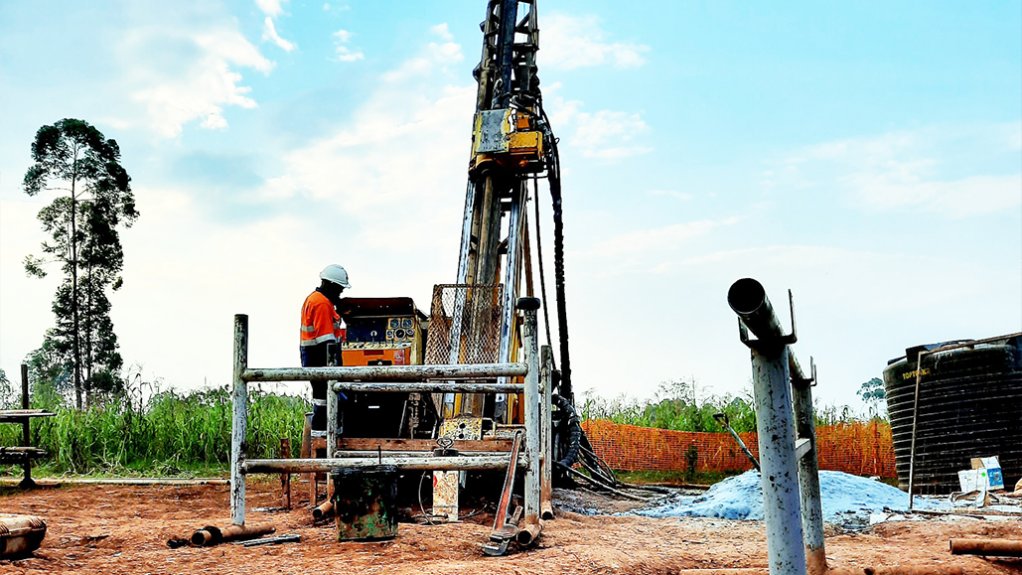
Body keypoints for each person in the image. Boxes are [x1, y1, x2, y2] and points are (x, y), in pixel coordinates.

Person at [300, 264, 350, 431]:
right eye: (339, 289)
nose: (341, 293)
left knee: (324, 398)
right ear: (331, 285)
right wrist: (335, 369)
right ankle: (323, 438)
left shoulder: (315, 299)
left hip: (313, 357)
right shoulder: (321, 304)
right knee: (326, 399)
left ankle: (323, 438)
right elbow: (327, 341)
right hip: (320, 358)